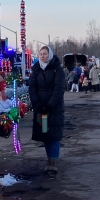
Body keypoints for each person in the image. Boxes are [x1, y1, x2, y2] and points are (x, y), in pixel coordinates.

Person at [29, 44, 66, 174]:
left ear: (49, 55)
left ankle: (54, 161)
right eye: (41, 54)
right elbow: (32, 88)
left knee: (54, 135)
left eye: (45, 54)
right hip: (41, 107)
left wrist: (50, 105)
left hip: (54, 108)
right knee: (45, 134)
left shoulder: (57, 69)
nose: (43, 56)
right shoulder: (36, 69)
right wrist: (37, 104)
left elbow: (59, 89)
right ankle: (48, 159)